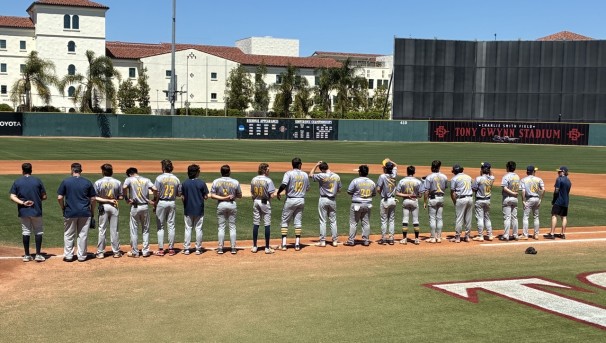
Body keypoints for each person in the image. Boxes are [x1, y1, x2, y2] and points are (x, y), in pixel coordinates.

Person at [57, 162, 96, 262]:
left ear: (72, 170)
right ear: (81, 171)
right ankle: (82, 256)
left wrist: (63, 208)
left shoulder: (66, 181)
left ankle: (69, 256)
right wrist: (92, 211)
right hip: (85, 212)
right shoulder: (87, 182)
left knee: (69, 234)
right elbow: (93, 199)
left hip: (70, 212)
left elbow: (60, 197)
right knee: (83, 235)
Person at [10, 163, 47, 262]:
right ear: (31, 170)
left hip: (23, 211)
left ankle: (27, 255)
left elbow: (12, 196)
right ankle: (38, 254)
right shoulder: (37, 181)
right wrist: (36, 199)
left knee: (25, 231)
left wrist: (23, 202)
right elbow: (44, 196)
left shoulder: (17, 181)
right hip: (36, 210)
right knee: (38, 231)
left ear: (22, 170)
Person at [276, 157, 310, 251]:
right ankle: (297, 244)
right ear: (300, 165)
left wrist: (278, 192)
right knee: (298, 222)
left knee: (285, 221)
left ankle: (283, 244)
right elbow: (307, 188)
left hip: (290, 200)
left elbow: (284, 185)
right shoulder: (305, 175)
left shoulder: (288, 173)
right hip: (301, 200)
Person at [123, 167, 157, 258]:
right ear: (136, 172)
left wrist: (126, 198)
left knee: (134, 230)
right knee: (145, 230)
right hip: (145, 206)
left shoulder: (129, 179)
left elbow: (124, 187)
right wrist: (154, 199)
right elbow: (155, 189)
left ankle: (135, 252)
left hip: (135, 206)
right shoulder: (146, 180)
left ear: (130, 174)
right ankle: (145, 251)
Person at [210, 165, 242, 254]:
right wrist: (231, 196)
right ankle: (233, 248)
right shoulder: (235, 182)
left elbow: (212, 195)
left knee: (221, 227)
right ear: (229, 172)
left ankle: (220, 248)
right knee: (232, 226)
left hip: (221, 204)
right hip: (232, 204)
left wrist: (223, 198)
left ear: (221, 172)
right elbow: (240, 195)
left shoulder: (216, 181)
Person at [94, 164, 124, 259]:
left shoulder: (98, 182)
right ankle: (116, 252)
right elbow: (121, 196)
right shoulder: (118, 182)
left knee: (102, 229)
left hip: (103, 206)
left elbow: (95, 197)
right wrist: (113, 199)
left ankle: (100, 252)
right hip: (114, 206)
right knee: (114, 230)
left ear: (103, 171)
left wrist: (106, 200)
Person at [309, 161, 342, 247]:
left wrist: (316, 165)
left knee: (323, 221)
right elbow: (339, 190)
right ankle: (335, 241)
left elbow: (310, 175)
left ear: (322, 169)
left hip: (323, 199)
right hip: (332, 200)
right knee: (333, 221)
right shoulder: (336, 176)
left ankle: (322, 241)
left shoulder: (321, 175)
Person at [153, 159, 181, 256]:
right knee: (171, 225)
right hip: (172, 202)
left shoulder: (159, 178)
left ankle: (161, 249)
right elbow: (178, 193)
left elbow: (156, 192)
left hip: (161, 202)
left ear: (163, 167)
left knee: (160, 226)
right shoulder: (176, 179)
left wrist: (155, 204)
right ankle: (171, 249)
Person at [180, 164, 209, 255]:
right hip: (199, 209)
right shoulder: (201, 183)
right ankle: (198, 248)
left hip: (188, 209)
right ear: (197, 172)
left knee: (188, 229)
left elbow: (182, 197)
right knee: (198, 229)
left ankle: (187, 248)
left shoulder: (185, 183)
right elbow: (206, 197)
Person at [345, 165, 376, 247]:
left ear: (360, 172)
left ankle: (351, 240)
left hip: (356, 204)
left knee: (353, 223)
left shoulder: (355, 181)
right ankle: (366, 240)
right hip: (368, 205)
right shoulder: (372, 182)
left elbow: (349, 191)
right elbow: (374, 194)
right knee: (366, 223)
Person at [251, 163, 276, 254]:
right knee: (267, 224)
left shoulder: (254, 179)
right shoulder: (268, 180)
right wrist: (278, 193)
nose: (269, 171)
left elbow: (252, 193)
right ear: (265, 170)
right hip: (265, 202)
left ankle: (254, 246)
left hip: (256, 201)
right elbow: (271, 195)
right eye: (268, 169)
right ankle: (266, 248)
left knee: (256, 223)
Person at [395, 165, 423, 245]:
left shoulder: (402, 181)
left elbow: (397, 193)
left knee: (405, 219)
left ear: (407, 172)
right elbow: (420, 195)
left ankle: (404, 239)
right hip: (414, 201)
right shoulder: (418, 181)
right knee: (415, 220)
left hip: (405, 201)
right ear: (414, 172)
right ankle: (417, 239)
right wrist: (414, 195)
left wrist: (406, 195)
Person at [423, 160, 448, 243]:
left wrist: (425, 201)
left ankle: (433, 237)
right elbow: (444, 187)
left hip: (432, 198)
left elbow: (426, 191)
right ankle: (439, 237)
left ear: (431, 167)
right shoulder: (444, 176)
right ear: (439, 167)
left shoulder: (429, 177)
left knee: (432, 218)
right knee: (439, 218)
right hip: (441, 197)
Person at [449, 164, 474, 243]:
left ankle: (457, 237)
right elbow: (472, 187)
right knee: (468, 218)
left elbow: (452, 192)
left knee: (459, 218)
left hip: (461, 199)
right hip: (470, 198)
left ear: (454, 171)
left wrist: (455, 202)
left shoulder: (454, 179)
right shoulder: (469, 177)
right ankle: (467, 237)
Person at [376, 159, 398, 245]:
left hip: (385, 200)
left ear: (385, 169)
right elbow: (396, 165)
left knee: (384, 220)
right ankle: (391, 238)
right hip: (393, 200)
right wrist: (390, 161)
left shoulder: (382, 176)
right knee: (391, 220)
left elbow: (378, 189)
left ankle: (384, 238)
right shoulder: (394, 174)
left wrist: (381, 193)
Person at [546, 166, 572, 239]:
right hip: (566, 201)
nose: (558, 172)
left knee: (554, 215)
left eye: (559, 171)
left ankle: (552, 234)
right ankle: (563, 234)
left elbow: (556, 191)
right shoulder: (569, 181)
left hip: (558, 201)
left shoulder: (559, 179)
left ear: (563, 172)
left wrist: (554, 200)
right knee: (564, 217)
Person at [471, 162, 495, 241]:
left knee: (480, 218)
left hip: (479, 200)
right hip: (487, 200)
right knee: (487, 218)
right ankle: (490, 235)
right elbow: (491, 174)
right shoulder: (492, 178)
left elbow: (473, 189)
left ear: (482, 170)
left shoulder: (478, 178)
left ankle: (480, 236)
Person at [520, 165, 545, 240]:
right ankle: (536, 234)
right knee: (536, 217)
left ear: (527, 172)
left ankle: (525, 235)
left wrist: (523, 201)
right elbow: (543, 189)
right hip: (537, 199)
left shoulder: (523, 180)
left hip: (529, 199)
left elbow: (523, 191)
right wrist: (540, 199)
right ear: (533, 172)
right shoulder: (539, 179)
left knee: (525, 217)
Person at [500, 161, 520, 241]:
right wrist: (515, 194)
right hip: (515, 199)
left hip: (508, 198)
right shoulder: (517, 176)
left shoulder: (506, 176)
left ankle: (506, 236)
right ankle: (515, 235)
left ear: (508, 167)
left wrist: (513, 193)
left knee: (507, 218)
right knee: (514, 217)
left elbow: (504, 188)